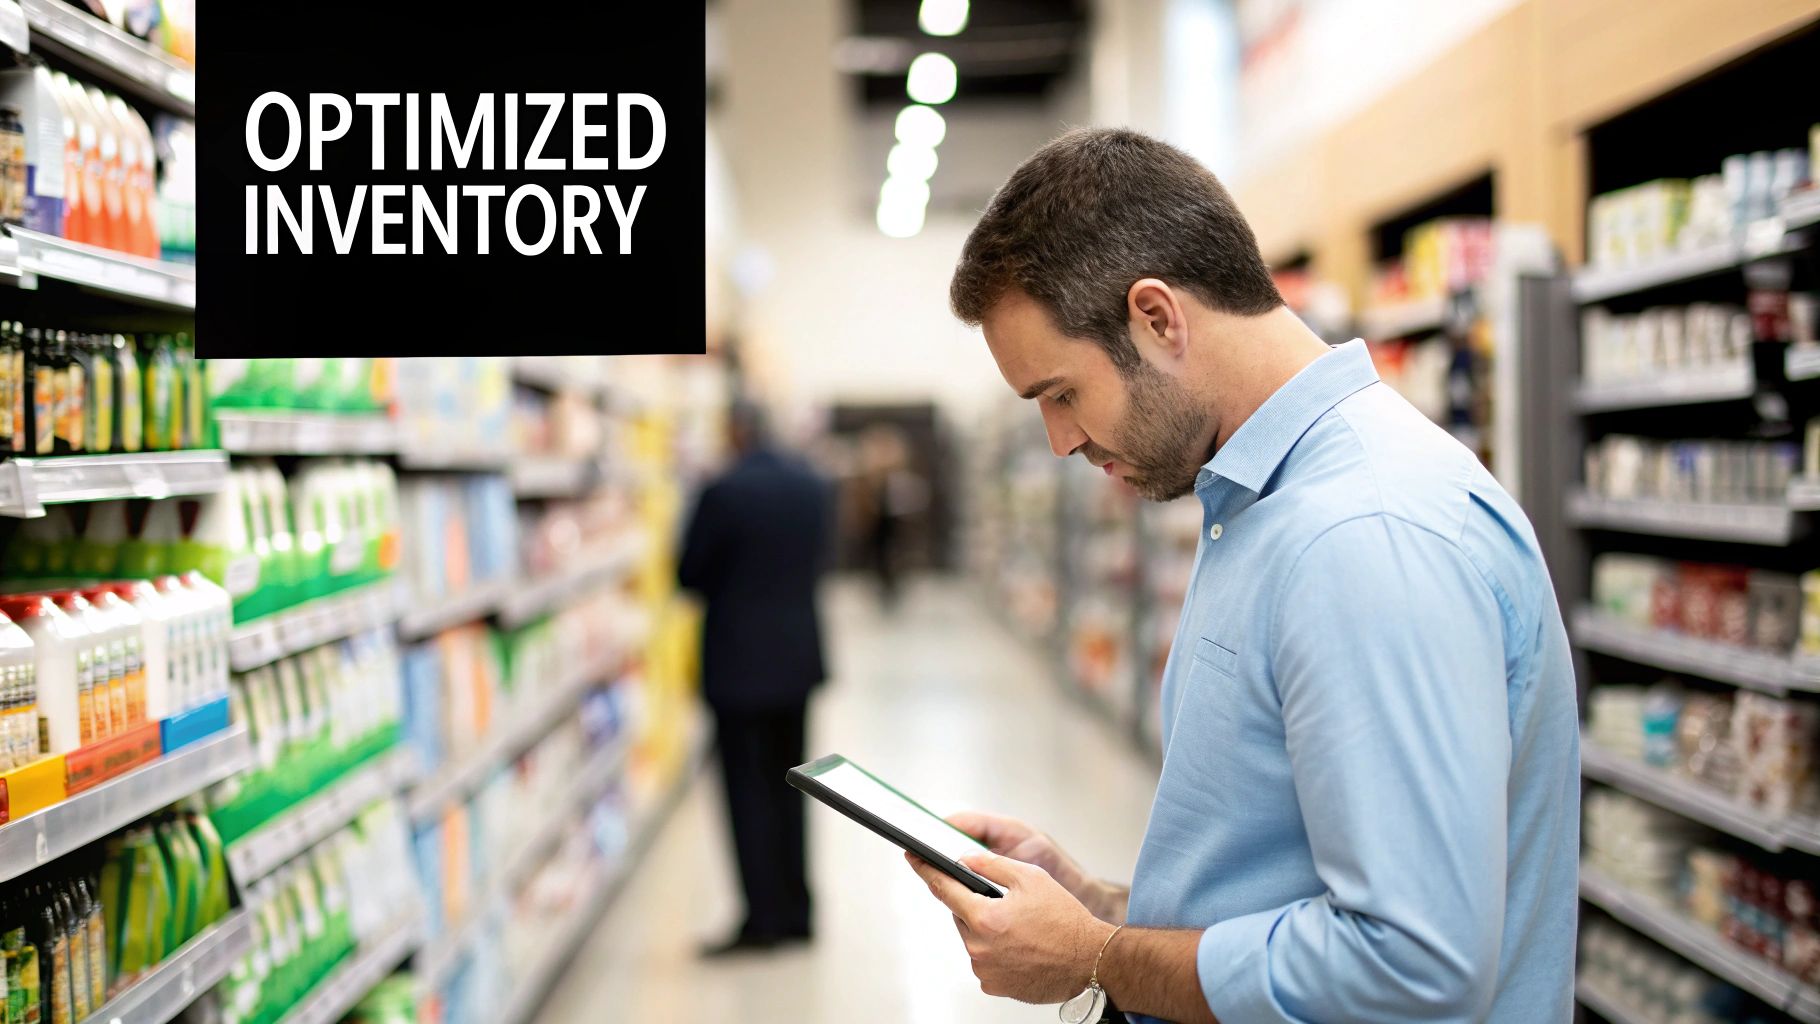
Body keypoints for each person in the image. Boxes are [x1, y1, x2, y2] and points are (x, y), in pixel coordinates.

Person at [905, 127, 1579, 1023]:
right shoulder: (1261, 507)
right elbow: (1280, 874)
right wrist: (1096, 907)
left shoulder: (1362, 537)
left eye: (1061, 393)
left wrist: (1097, 956)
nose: (1060, 442)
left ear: (1156, 317)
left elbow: (1413, 967)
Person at [678, 399, 833, 956]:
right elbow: (821, 560)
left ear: (735, 432)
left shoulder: (722, 491)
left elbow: (688, 573)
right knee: (793, 788)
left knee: (747, 795)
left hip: (739, 665)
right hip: (796, 660)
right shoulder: (812, 485)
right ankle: (798, 912)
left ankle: (761, 920)